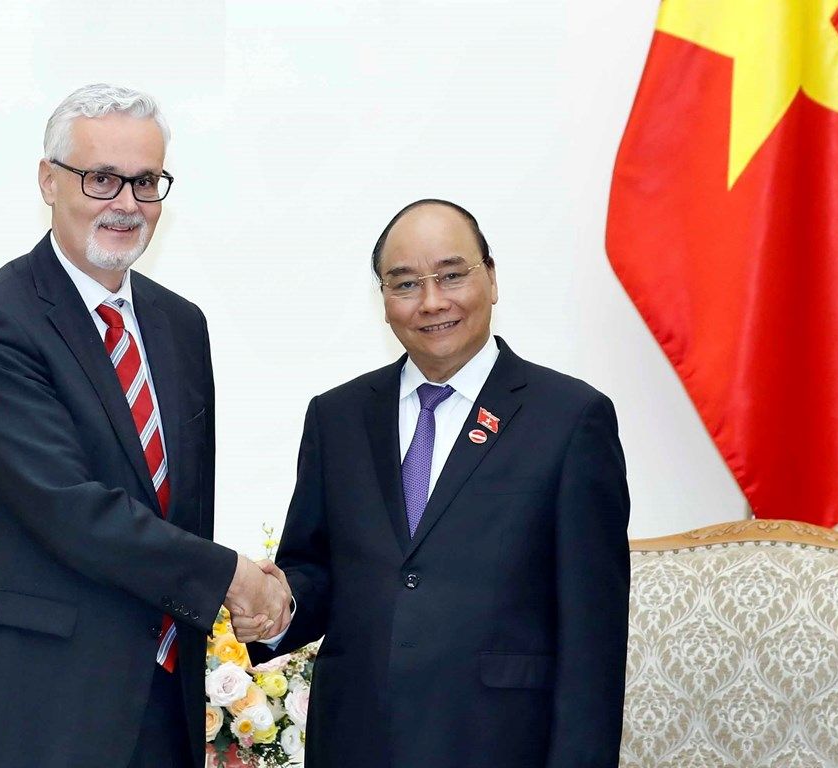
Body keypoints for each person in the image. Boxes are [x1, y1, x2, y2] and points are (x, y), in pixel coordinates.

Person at [0, 83, 289, 768]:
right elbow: (68, 508)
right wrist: (232, 578)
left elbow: (182, 511)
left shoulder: (181, 325)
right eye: (101, 178)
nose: (126, 203)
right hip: (29, 715)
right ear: (48, 181)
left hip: (161, 706)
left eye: (146, 181)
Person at [242, 199, 630, 768]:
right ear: (383, 301)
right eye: (405, 284)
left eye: (451, 275)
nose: (431, 302)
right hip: (357, 740)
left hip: (499, 744)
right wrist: (278, 604)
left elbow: (593, 635)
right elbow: (316, 568)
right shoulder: (338, 416)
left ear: (491, 278)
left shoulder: (570, 419)